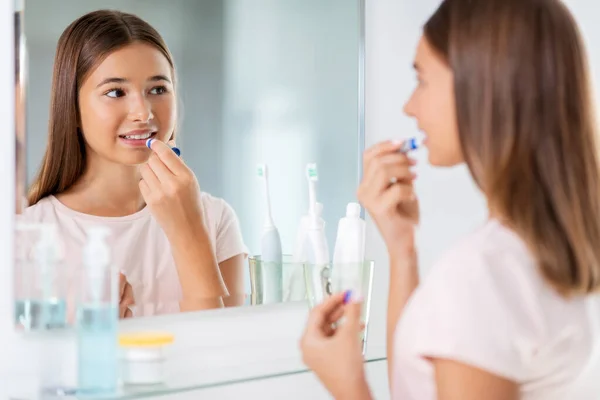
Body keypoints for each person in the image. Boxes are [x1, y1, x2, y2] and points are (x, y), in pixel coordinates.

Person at [300, 0, 600, 399]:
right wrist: (402, 247)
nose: (409, 106)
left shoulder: (480, 277)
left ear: (483, 86)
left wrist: (348, 386)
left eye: (422, 80)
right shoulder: (539, 254)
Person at [20, 10, 247, 318]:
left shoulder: (215, 220)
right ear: (71, 107)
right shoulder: (28, 235)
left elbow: (228, 358)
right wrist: (96, 337)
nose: (143, 112)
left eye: (158, 89)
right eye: (116, 92)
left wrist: (189, 233)